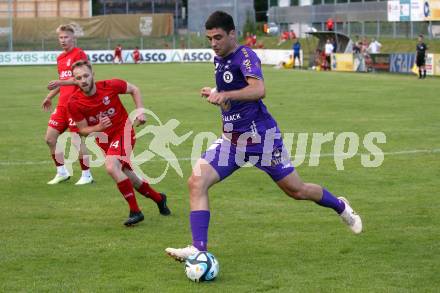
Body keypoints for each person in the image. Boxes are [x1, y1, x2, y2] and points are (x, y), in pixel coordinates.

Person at [165, 11, 362, 262]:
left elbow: (259, 89)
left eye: (218, 37)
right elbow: (232, 88)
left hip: (262, 140)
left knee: (297, 191)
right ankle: (198, 249)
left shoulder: (245, 55)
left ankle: (341, 206)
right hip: (232, 141)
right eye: (209, 38)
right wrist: (217, 91)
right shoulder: (219, 59)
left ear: (232, 34)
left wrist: (226, 96)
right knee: (196, 182)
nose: (213, 43)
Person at [67, 60, 171, 226]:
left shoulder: (110, 85)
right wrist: (99, 127)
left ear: (93, 74)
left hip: (124, 132)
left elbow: (134, 89)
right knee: (130, 177)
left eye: (86, 75)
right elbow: (82, 130)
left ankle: (135, 211)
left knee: (110, 166)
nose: (83, 80)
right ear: (74, 80)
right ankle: (159, 199)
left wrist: (140, 111)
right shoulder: (74, 102)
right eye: (78, 78)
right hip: (105, 141)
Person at [41, 24, 94, 185]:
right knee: (50, 139)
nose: (63, 40)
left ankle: (87, 175)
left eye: (66, 37)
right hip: (62, 105)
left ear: (73, 38)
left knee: (76, 140)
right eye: (61, 37)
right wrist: (49, 96)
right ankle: (61, 172)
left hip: (76, 104)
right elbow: (63, 82)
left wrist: (60, 81)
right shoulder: (60, 58)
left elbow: (83, 79)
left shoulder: (79, 54)